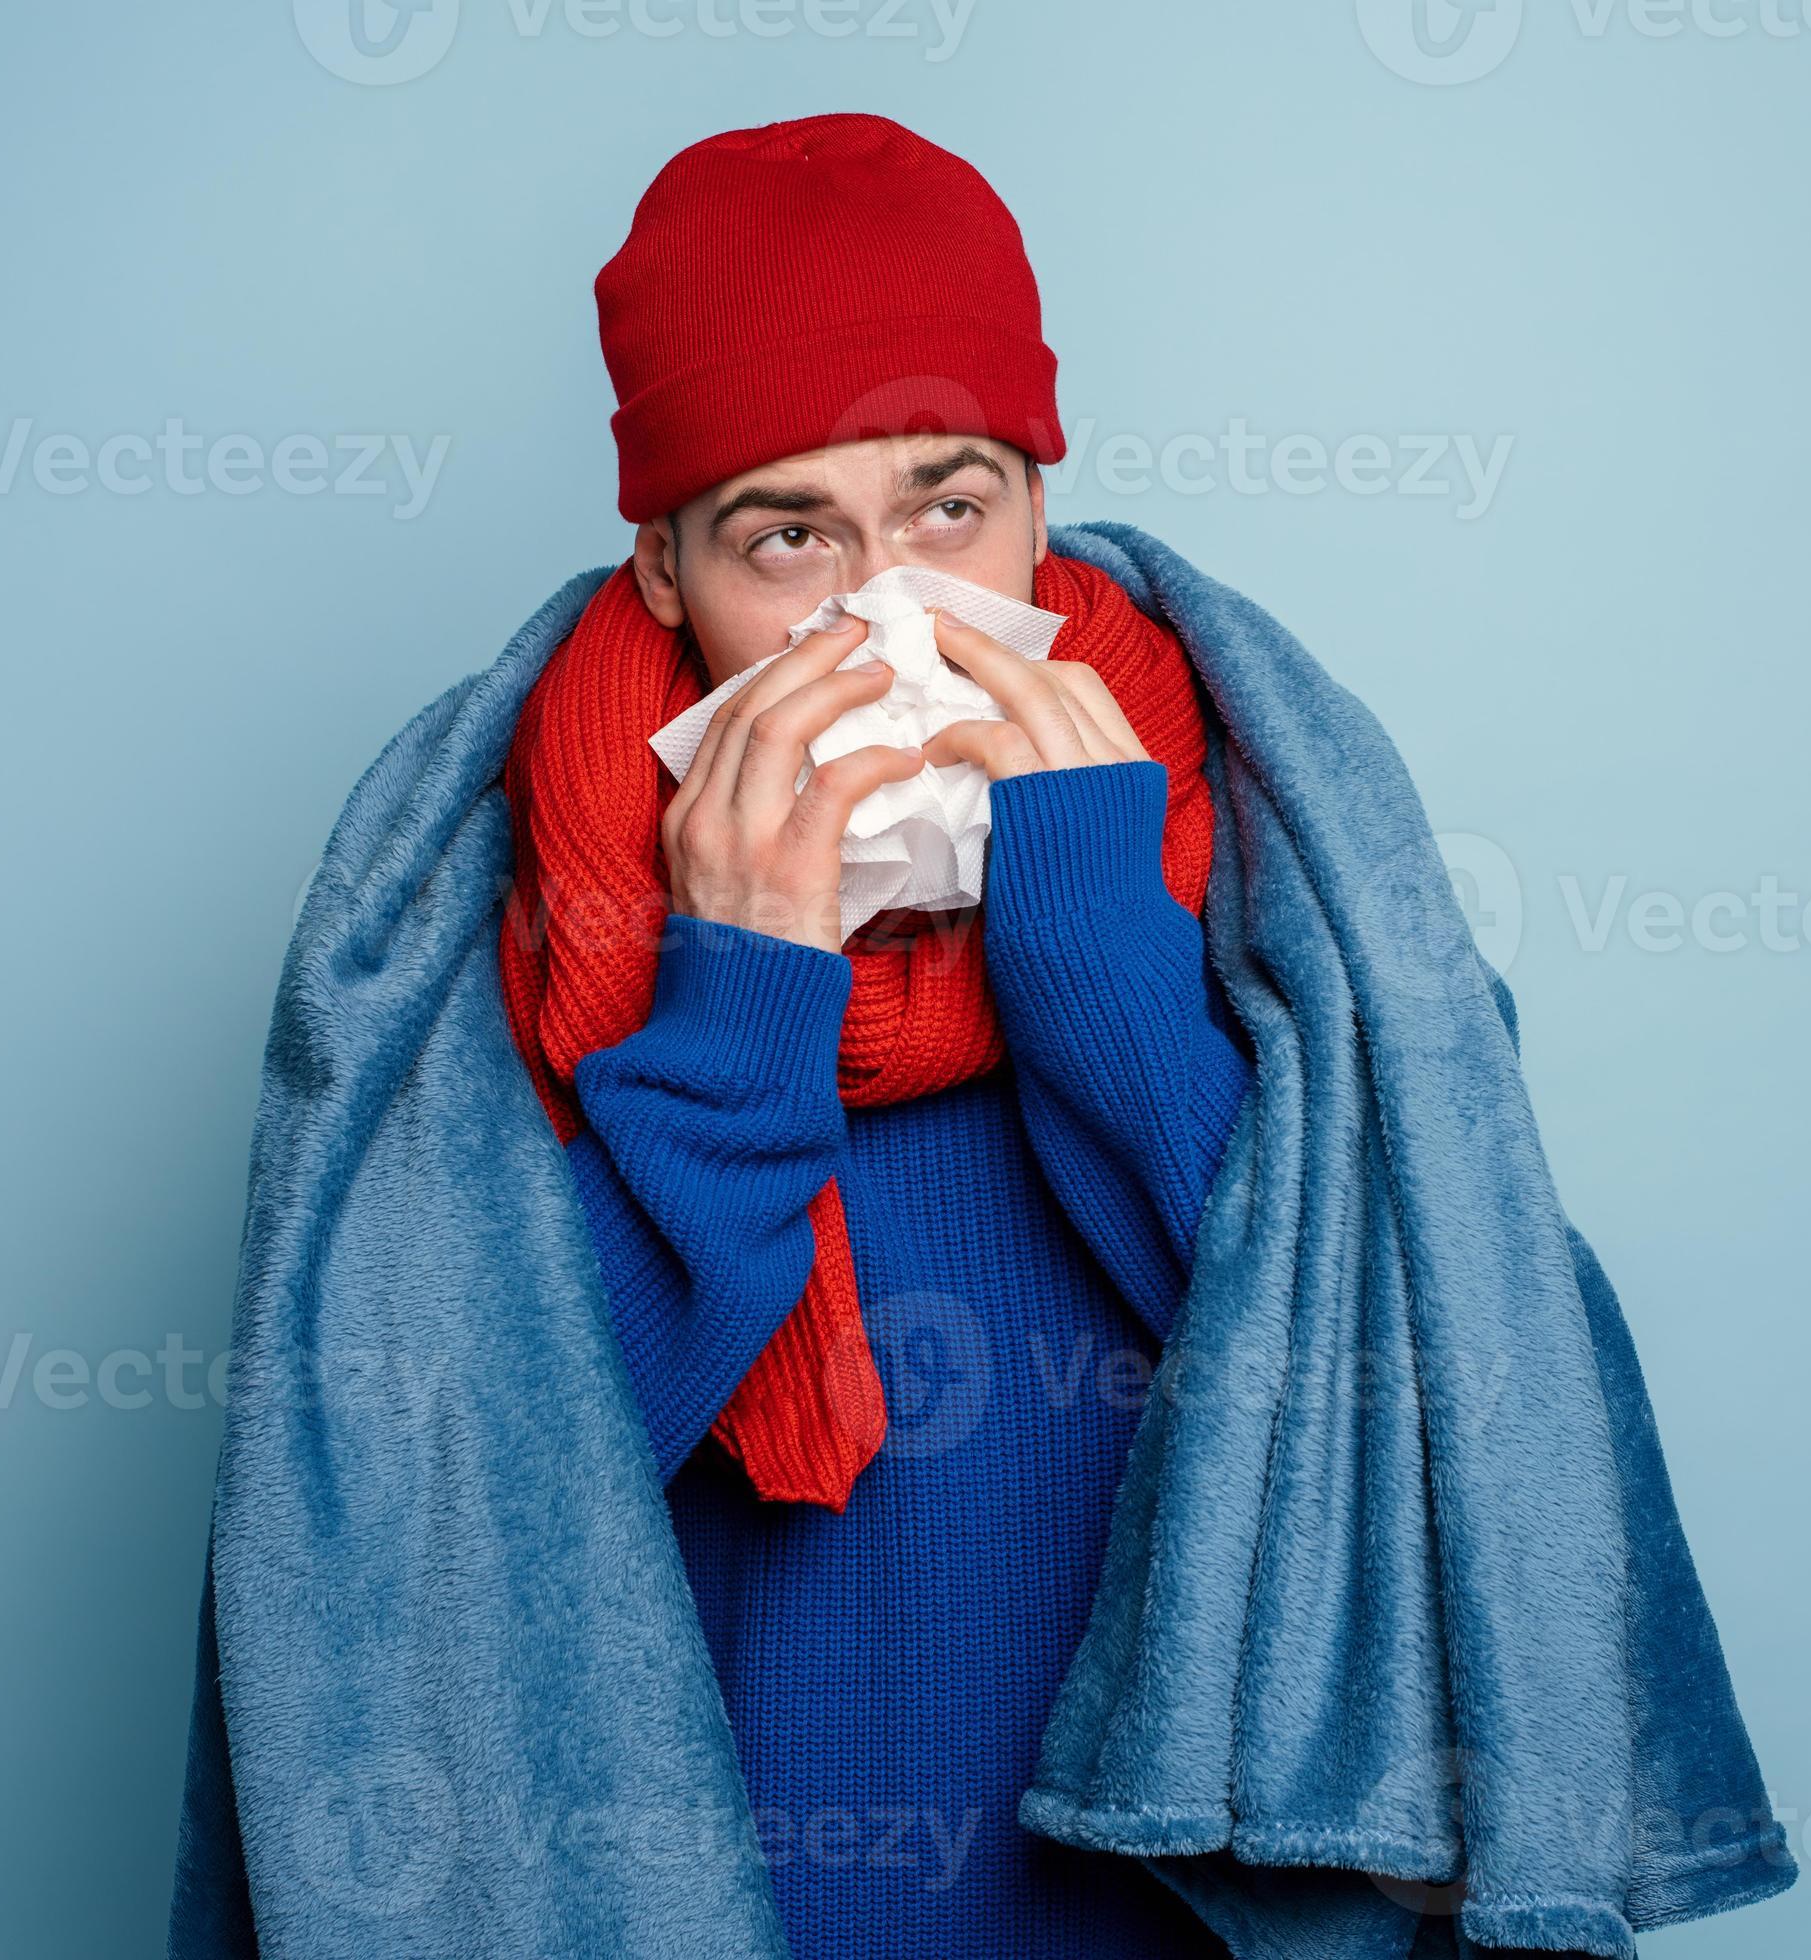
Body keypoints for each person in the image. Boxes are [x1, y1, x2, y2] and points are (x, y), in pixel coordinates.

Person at [487, 112, 1250, 1955]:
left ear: (1038, 511)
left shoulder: (1267, 868)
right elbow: (501, 1503)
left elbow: (1325, 1359)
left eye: (947, 506)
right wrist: (739, 985)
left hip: (1174, 1889)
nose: (888, 606)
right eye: (788, 535)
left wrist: (1088, 924)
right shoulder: (499, 933)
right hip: (738, 1886)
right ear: (668, 576)